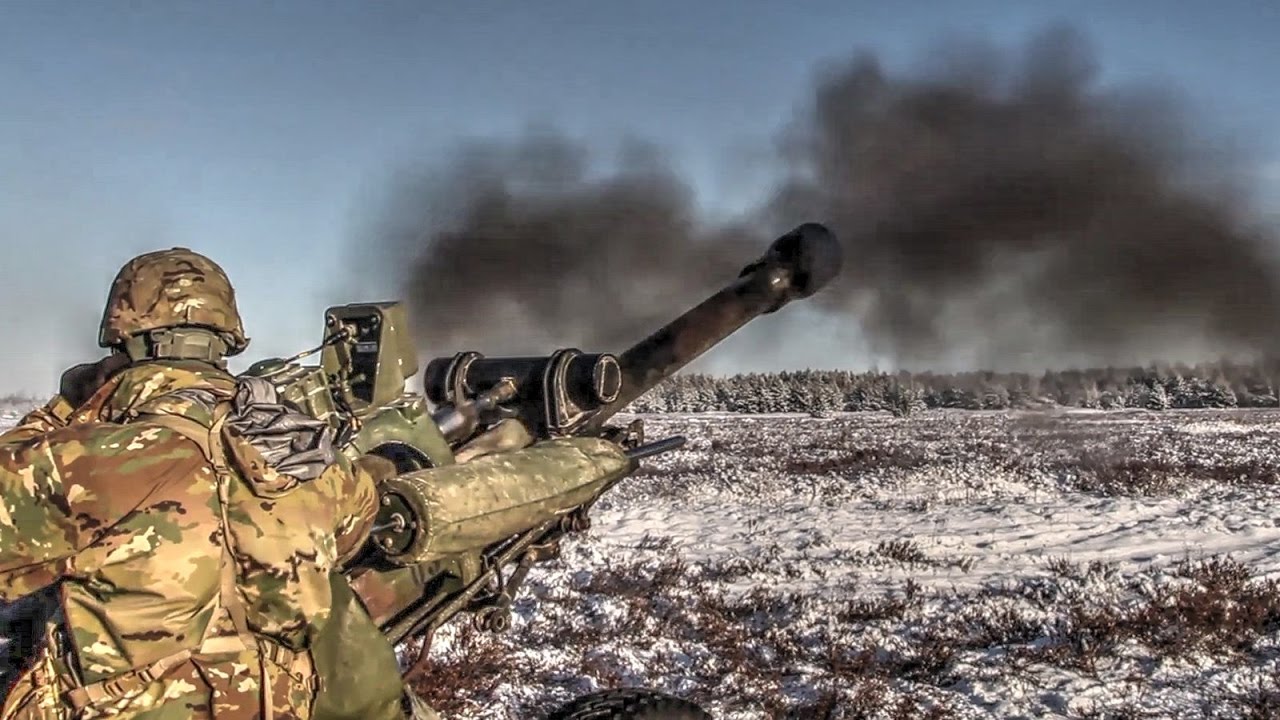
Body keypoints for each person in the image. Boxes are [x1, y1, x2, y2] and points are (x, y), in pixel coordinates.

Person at [0, 249, 416, 719]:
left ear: (125, 342)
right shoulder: (311, 459)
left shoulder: (85, 462)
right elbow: (353, 528)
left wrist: (60, 409)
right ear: (225, 341)